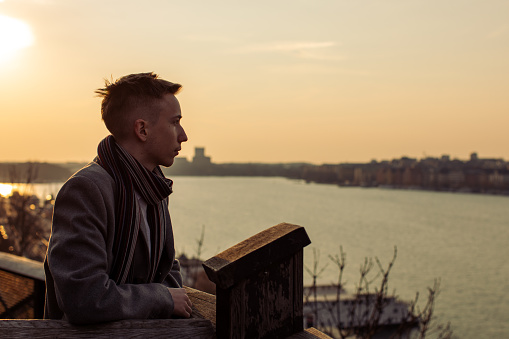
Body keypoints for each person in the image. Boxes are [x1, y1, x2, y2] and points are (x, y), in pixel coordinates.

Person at [44, 72, 192, 324]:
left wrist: (171, 297)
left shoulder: (153, 189)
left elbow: (166, 269)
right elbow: (84, 298)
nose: (183, 135)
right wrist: (163, 298)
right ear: (142, 129)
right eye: (175, 122)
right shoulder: (85, 190)